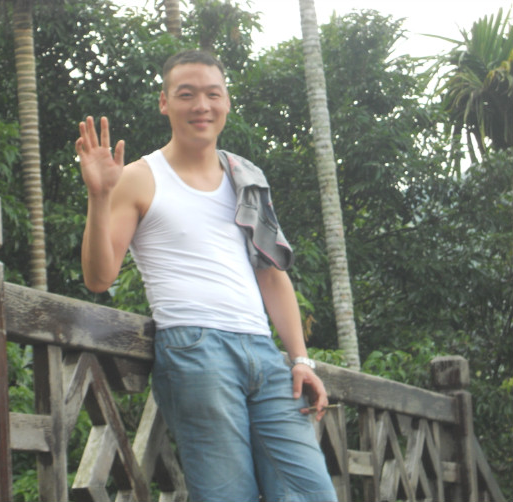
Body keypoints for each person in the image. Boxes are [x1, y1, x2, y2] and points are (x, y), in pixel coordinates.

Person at [76, 49, 337, 502]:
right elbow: (99, 278)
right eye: (187, 94)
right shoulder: (140, 177)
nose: (202, 106)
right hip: (195, 349)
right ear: (164, 102)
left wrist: (300, 358)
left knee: (311, 493)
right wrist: (99, 197)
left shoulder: (245, 177)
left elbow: (272, 275)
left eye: (213, 94)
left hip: (264, 353)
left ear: (227, 102)